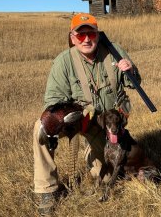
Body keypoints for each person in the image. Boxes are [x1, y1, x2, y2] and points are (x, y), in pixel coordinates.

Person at [33, 13, 141, 216]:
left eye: (90, 33)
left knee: (107, 177)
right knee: (41, 128)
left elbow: (133, 83)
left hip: (105, 123)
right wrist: (67, 115)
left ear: (98, 34)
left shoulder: (113, 51)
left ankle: (90, 152)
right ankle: (46, 190)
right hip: (75, 119)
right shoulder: (63, 62)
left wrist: (130, 70)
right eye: (80, 35)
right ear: (72, 37)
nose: (86, 39)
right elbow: (52, 101)